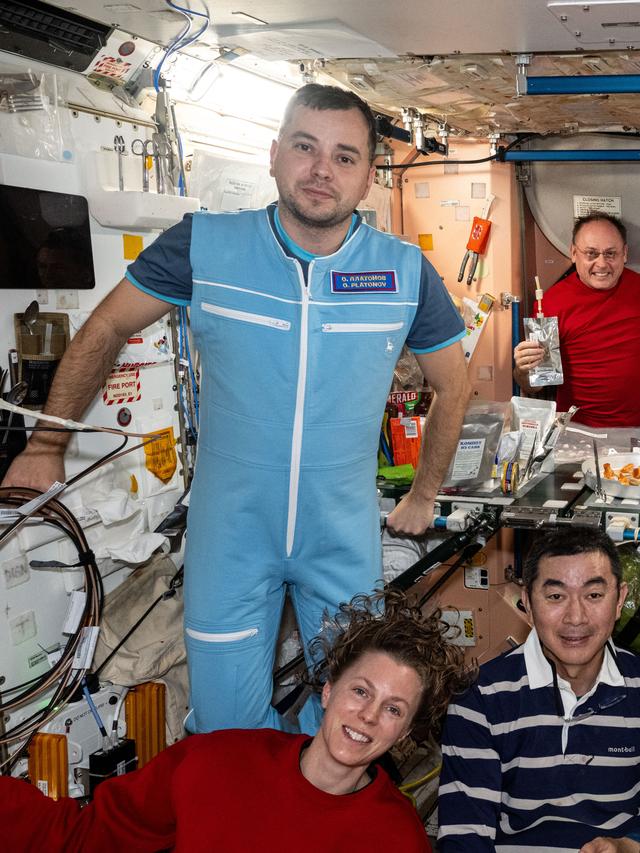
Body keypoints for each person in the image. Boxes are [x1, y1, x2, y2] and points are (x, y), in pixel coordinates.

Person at [1, 83, 471, 734]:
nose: (320, 170)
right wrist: (46, 444)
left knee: (344, 725)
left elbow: (457, 382)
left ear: (368, 176)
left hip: (341, 538)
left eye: (344, 156)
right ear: (276, 155)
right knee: (226, 730)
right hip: (230, 537)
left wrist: (424, 492)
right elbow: (104, 327)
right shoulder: (204, 246)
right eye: (305, 148)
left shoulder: (404, 271)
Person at [0, 589, 473, 852]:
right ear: (328, 689)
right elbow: (84, 837)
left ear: (405, 732)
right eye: (360, 691)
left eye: (393, 709)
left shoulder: (397, 840)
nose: (369, 716)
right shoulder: (215, 761)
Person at [437, 527, 640, 853]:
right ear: (527, 602)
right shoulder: (481, 697)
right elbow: (464, 835)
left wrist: (632, 846)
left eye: (594, 595)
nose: (576, 617)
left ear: (620, 600)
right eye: (556, 596)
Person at [513, 212, 640, 427]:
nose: (602, 264)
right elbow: (535, 384)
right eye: (591, 253)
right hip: (577, 429)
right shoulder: (550, 304)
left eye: (610, 253)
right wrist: (523, 370)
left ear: (624, 253)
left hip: (637, 427)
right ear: (574, 253)